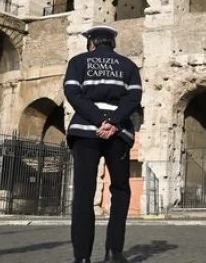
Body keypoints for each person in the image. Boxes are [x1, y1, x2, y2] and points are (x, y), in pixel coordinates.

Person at [64, 25, 143, 263]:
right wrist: (113, 122)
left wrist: (99, 120)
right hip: (118, 134)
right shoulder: (128, 66)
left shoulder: (78, 62)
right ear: (112, 44)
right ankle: (113, 253)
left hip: (85, 132)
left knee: (83, 194)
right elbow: (134, 97)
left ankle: (82, 258)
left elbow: (73, 95)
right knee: (120, 191)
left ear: (92, 43)